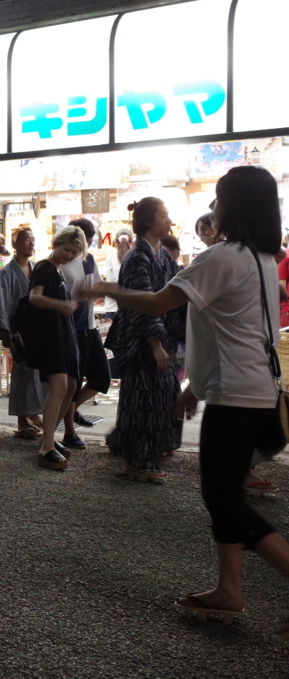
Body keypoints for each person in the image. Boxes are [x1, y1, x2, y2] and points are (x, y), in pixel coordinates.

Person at [87, 166, 289, 637]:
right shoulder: (262, 259)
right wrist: (196, 385)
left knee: (223, 497)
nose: (213, 207)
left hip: (235, 397)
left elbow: (158, 304)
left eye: (219, 198)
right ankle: (228, 588)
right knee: (227, 495)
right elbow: (244, 330)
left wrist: (104, 289)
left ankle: (234, 587)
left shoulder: (223, 257)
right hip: (253, 390)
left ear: (233, 206)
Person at [103, 198, 184, 482]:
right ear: (149, 221)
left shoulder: (161, 254)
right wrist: (156, 345)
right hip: (140, 340)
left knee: (153, 398)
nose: (169, 220)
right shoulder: (139, 256)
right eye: (164, 215)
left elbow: (176, 288)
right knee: (145, 400)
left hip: (155, 337)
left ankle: (135, 454)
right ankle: (139, 462)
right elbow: (142, 303)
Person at [26, 226, 86, 470]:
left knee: (71, 386)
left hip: (64, 336)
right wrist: (61, 305)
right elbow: (34, 297)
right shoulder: (44, 267)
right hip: (51, 337)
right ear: (57, 244)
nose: (69, 255)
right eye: (66, 249)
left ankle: (48, 438)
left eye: (73, 252)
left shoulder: (58, 272)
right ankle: (46, 446)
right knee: (60, 387)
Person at [0, 227, 48, 439]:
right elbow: (2, 303)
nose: (31, 243)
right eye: (26, 240)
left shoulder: (37, 268)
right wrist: (5, 330)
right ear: (15, 244)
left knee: (36, 374)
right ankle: (24, 417)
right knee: (23, 374)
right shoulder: (7, 272)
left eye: (33, 239)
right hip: (18, 331)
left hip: (36, 330)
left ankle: (27, 416)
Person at [58, 219, 111, 445]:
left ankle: (74, 409)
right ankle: (69, 432)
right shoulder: (61, 262)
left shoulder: (89, 260)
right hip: (71, 329)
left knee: (101, 378)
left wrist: (106, 290)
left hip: (89, 327)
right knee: (73, 382)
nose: (85, 245)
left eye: (86, 241)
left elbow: (97, 286)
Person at [102, 229, 132, 320]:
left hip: (112, 306)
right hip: (131, 306)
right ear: (131, 242)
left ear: (115, 242)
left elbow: (110, 283)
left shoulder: (110, 258)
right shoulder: (135, 257)